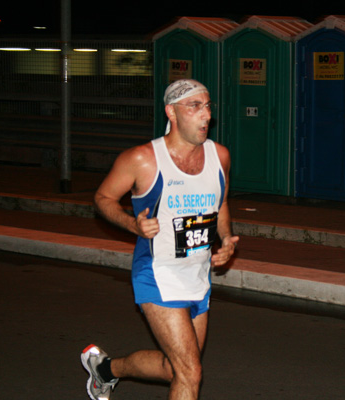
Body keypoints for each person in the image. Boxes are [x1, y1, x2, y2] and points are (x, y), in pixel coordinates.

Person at [81, 79, 239, 400]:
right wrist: (132, 225)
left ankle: (106, 370)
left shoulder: (219, 155)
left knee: (174, 368)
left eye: (207, 106)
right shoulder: (143, 159)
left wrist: (225, 239)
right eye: (194, 107)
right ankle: (105, 371)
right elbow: (103, 197)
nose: (205, 115)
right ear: (172, 112)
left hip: (198, 275)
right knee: (190, 373)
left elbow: (220, 204)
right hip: (157, 273)